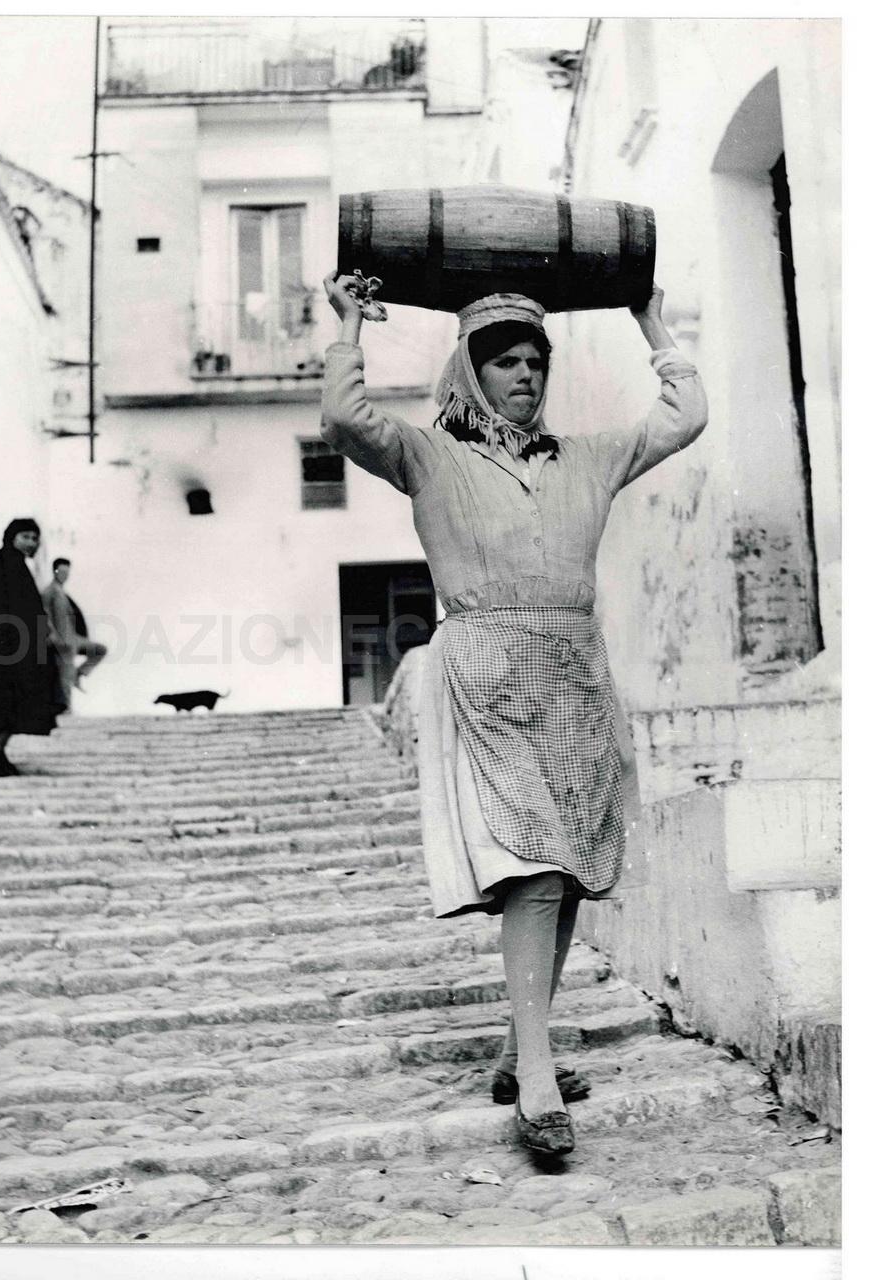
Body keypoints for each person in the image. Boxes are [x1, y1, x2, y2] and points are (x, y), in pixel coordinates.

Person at [321, 270, 708, 1156]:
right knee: (532, 867)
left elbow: (684, 416)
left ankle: (515, 1050)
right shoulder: (428, 456)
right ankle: (537, 1077)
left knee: (566, 871)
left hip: (575, 675)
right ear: (471, 370)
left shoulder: (588, 458)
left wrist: (651, 321)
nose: (526, 374)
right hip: (487, 672)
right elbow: (344, 420)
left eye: (536, 361)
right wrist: (349, 328)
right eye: (506, 362)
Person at [0, 518, 66, 777]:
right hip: (6, 647)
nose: (31, 543)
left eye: (35, 538)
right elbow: (22, 607)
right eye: (25, 537)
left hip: (4, 644)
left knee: (6, 702)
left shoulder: (7, 561)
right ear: (12, 537)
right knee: (11, 700)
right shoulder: (9, 562)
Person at [41, 557, 107, 708]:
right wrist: (52, 636)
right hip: (63, 641)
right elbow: (44, 615)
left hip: (74, 638)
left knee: (100, 650)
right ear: (55, 571)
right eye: (61, 571)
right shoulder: (49, 591)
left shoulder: (63, 593)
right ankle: (66, 709)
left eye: (67, 572)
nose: (65, 575)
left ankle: (80, 674)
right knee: (65, 675)